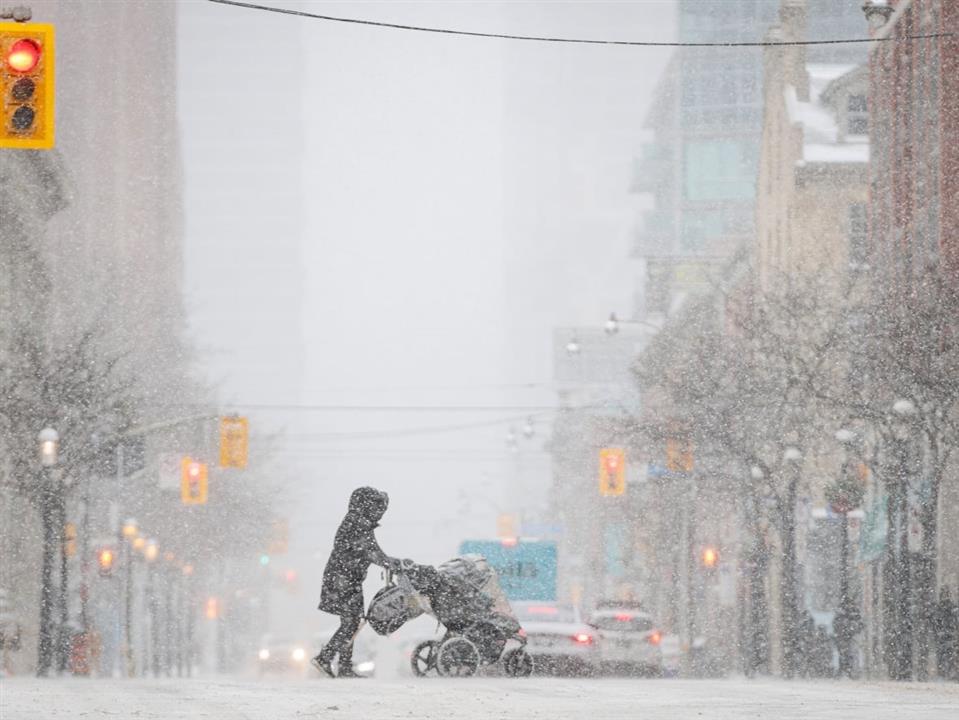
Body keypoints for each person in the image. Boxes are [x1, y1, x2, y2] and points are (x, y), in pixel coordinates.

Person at [312, 487, 397, 678]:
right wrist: (393, 564)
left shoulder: (358, 522)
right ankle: (325, 658)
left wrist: (391, 562)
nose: (380, 514)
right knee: (351, 622)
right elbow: (371, 552)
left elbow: (373, 550)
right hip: (343, 579)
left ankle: (344, 666)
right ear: (368, 506)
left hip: (347, 578)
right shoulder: (357, 523)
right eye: (378, 509)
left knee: (352, 622)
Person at [934, 587, 958, 681]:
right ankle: (944, 673)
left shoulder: (950, 607)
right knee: (944, 654)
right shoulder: (942, 607)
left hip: (947, 634)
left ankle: (946, 672)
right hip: (944, 634)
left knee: (948, 654)